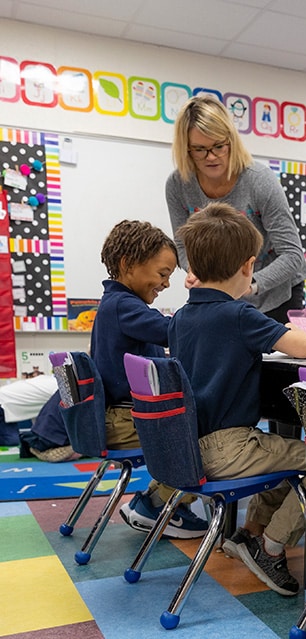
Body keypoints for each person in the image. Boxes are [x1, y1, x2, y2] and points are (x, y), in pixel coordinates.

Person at [169, 202, 306, 596]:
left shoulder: (180, 318)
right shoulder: (239, 315)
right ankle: (271, 546)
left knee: (282, 452)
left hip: (189, 447)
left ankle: (249, 533)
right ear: (249, 267)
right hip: (231, 448)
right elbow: (301, 346)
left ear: (192, 267)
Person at [89, 221, 208, 539]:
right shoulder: (124, 306)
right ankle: (160, 506)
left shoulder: (117, 305)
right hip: (124, 419)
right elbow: (170, 329)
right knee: (205, 438)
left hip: (119, 416)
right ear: (128, 265)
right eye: (163, 274)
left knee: (190, 427)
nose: (167, 283)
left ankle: (155, 502)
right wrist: (207, 314)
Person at [166, 95, 306, 324]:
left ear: (231, 140)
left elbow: (293, 257)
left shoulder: (259, 181)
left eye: (219, 146)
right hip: (220, 297)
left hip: (275, 298)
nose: (211, 157)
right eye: (200, 149)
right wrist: (195, 272)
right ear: (186, 149)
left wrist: (246, 286)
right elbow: (183, 244)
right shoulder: (177, 186)